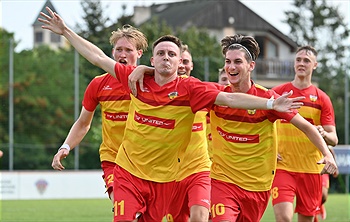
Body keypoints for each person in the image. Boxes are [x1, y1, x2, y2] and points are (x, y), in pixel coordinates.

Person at [39, 7, 308, 221]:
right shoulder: (134, 80)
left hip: (172, 174)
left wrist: (272, 105)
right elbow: (97, 57)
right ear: (151, 60)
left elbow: (229, 97)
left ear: (181, 63)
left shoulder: (191, 89)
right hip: (127, 169)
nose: (166, 57)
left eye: (172, 54)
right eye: (161, 54)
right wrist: (65, 32)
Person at [208, 35, 337, 222]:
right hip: (223, 181)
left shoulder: (270, 98)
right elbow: (177, 86)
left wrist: (326, 153)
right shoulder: (214, 94)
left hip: (258, 187)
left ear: (251, 66)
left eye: (237, 61)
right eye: (227, 61)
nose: (231, 67)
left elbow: (307, 127)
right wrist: (149, 70)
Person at [50, 24, 148, 206]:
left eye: (128, 50)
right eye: (119, 49)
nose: (122, 54)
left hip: (146, 161)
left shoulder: (148, 82)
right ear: (112, 52)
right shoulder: (99, 84)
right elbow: (83, 123)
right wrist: (65, 146)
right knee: (123, 207)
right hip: (113, 159)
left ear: (139, 53)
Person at [271, 45, 339, 222]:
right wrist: (268, 148)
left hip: (311, 169)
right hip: (283, 167)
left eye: (306, 60)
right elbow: (263, 124)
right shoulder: (278, 93)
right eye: (298, 60)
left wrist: (324, 132)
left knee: (306, 219)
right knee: (283, 218)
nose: (301, 63)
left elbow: (334, 138)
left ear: (314, 65)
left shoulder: (322, 98)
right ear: (294, 63)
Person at [164, 44, 211, 221]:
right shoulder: (160, 92)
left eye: (186, 61)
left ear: (192, 65)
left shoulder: (202, 91)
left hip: (198, 168)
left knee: (199, 217)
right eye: (180, 61)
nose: (182, 65)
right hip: (171, 173)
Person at [315, 146, 338, 221]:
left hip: (323, 167)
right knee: (312, 196)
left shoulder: (323, 134)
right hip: (311, 165)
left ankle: (320, 206)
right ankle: (315, 215)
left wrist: (335, 167)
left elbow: (330, 149)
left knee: (323, 195)